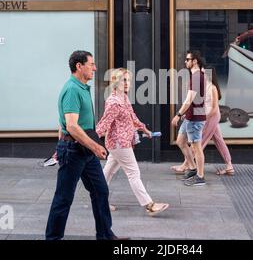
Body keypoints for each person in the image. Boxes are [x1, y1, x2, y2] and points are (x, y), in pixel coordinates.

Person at [46, 50, 126, 240]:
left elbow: (63, 123)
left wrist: (63, 144)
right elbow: (71, 126)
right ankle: (52, 238)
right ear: (79, 66)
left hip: (83, 150)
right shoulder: (72, 89)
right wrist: (95, 147)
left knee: (100, 190)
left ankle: (105, 235)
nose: (95, 68)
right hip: (75, 151)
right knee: (63, 198)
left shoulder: (81, 87)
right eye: (91, 64)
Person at [96, 68, 169, 215]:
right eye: (124, 80)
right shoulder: (114, 102)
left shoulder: (123, 97)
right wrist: (88, 141)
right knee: (133, 173)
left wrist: (144, 129)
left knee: (108, 172)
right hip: (119, 144)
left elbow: (132, 117)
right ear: (115, 81)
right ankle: (149, 205)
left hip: (121, 143)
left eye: (129, 80)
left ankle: (99, 202)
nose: (127, 83)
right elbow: (103, 124)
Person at [171, 67, 235, 176]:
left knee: (198, 142)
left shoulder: (212, 88)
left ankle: (186, 165)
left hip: (211, 117)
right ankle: (229, 166)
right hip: (206, 116)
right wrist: (188, 113)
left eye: (203, 73)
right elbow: (202, 105)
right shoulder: (204, 87)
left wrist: (202, 118)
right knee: (219, 140)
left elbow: (214, 109)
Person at [171, 50, 207, 186]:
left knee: (196, 147)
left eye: (188, 59)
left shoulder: (197, 77)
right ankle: (192, 168)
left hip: (195, 118)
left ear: (195, 61)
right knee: (180, 141)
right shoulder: (197, 76)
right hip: (191, 116)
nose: (185, 62)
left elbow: (189, 99)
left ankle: (200, 176)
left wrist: (178, 115)